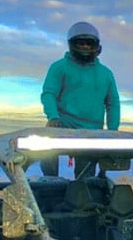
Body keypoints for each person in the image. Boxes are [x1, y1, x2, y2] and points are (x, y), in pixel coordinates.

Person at [40, 21, 120, 177]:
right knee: (46, 152)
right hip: (63, 125)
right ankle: (49, 187)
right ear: (72, 44)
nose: (84, 47)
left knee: (86, 177)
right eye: (80, 43)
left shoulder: (106, 74)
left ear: (96, 46)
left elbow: (113, 103)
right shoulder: (60, 67)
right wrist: (53, 116)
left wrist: (113, 131)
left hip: (92, 131)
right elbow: (49, 93)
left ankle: (83, 197)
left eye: (88, 43)